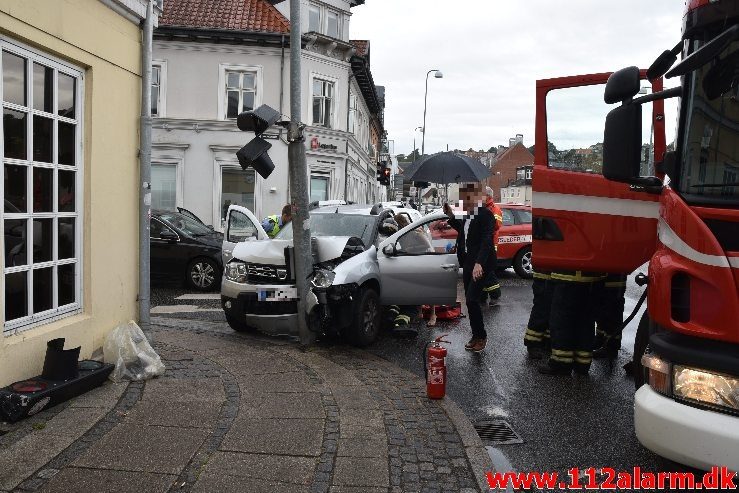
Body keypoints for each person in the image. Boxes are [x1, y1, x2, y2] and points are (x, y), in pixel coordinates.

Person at [444, 182, 496, 352]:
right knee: (469, 300)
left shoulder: (486, 215)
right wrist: (451, 216)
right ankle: (475, 335)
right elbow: (463, 231)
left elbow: (487, 240)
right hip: (467, 262)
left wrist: (479, 263)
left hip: (480, 263)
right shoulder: (468, 214)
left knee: (473, 299)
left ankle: (481, 336)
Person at [539, 270, 605, 376]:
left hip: (568, 275)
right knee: (585, 322)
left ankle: (561, 363)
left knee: (562, 321)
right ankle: (582, 365)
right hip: (594, 278)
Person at [592, 274, 628, 360]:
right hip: (603, 276)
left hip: (615, 278)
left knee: (613, 312)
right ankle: (600, 339)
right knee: (601, 309)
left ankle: (611, 347)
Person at [523, 268, 554, 359]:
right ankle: (533, 343)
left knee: (552, 311)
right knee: (541, 310)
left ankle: (547, 341)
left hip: (555, 276)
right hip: (544, 275)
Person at [480, 187, 503, 305]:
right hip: (485, 243)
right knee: (483, 271)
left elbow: (496, 226)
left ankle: (495, 295)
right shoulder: (485, 208)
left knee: (488, 271)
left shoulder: (494, 209)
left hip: (490, 244)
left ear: (488, 196)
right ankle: (482, 296)